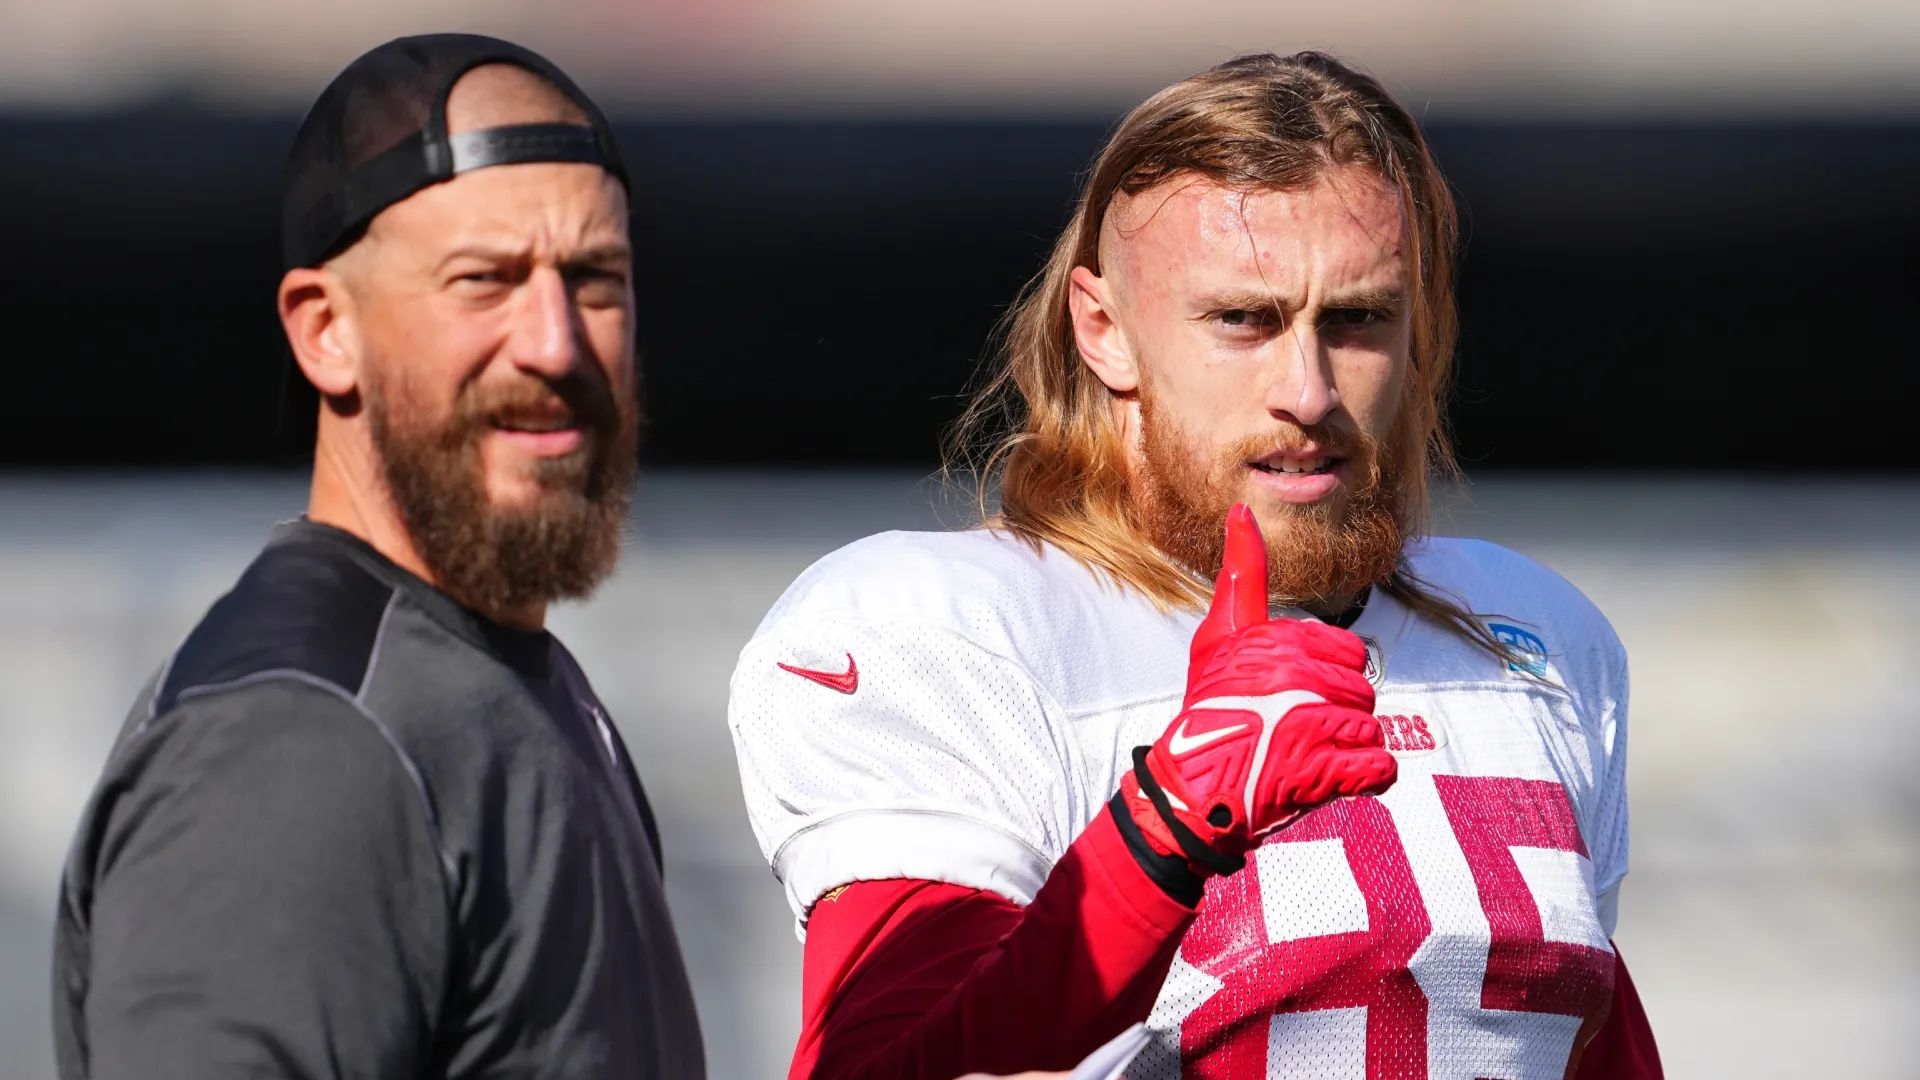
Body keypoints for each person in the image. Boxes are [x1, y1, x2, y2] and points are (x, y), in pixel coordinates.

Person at [728, 52, 1662, 1080]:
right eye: (1242, 321)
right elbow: (885, 1064)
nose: (1307, 390)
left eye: (1356, 320)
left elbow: (1586, 1043)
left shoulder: (1534, 634)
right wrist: (1170, 819)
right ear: (1105, 332)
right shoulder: (943, 629)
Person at [52, 35, 704, 1080]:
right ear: (324, 333)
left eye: (595, 281)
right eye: (483, 280)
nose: (554, 343)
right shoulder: (297, 742)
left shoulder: (507, 683)